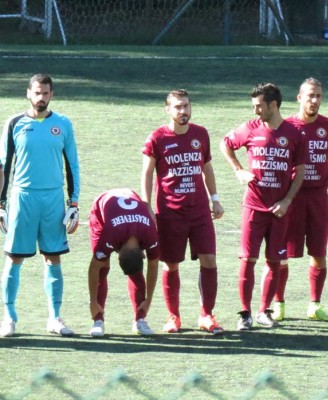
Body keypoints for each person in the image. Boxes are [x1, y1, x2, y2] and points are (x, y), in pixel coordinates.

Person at [220, 82, 306, 330]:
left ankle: (263, 311)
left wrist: (287, 200)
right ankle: (245, 313)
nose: (256, 111)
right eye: (254, 106)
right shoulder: (249, 128)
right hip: (253, 207)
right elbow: (224, 143)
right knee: (247, 259)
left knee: (274, 261)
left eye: (259, 106)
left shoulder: (294, 134)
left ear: (273, 105)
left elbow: (299, 172)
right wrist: (239, 170)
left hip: (279, 210)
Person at [0, 73, 80, 337]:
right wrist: (1, 204)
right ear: (28, 93)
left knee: (53, 256)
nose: (41, 98)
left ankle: (55, 318)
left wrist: (74, 202)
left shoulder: (63, 124)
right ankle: (8, 318)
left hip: (53, 199)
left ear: (51, 95)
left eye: (45, 93)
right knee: (14, 258)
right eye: (37, 92)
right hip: (22, 198)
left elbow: (72, 166)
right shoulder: (14, 123)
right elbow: (3, 166)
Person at [142, 89, 224, 335]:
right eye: (177, 107)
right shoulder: (157, 138)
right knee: (171, 265)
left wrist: (215, 199)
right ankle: (173, 317)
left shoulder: (201, 134)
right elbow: (147, 173)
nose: (183, 111)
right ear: (168, 109)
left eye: (186, 106)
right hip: (170, 213)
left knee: (209, 260)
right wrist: (147, 207)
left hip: (199, 212)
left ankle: (207, 315)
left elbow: (207, 168)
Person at [272, 78, 328, 322]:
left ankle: (315, 304)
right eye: (310, 95)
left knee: (319, 251)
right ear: (299, 98)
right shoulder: (286, 125)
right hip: (291, 197)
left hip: (318, 197)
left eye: (319, 96)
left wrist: (321, 182)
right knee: (281, 252)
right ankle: (278, 303)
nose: (315, 100)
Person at [88, 188, 160, 337]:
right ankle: (98, 320)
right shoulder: (110, 234)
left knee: (135, 272)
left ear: (142, 253)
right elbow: (94, 267)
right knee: (103, 266)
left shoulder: (151, 234)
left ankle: (140, 319)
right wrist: (93, 302)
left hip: (129, 198)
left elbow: (153, 265)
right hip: (101, 209)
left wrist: (148, 301)